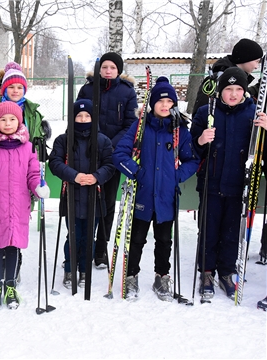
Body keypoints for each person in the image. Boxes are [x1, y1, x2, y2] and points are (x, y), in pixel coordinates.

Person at [112, 77, 199, 301]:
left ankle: (162, 277)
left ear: (174, 104)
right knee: (137, 239)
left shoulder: (180, 131)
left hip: (166, 197)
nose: (164, 105)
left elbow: (193, 160)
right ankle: (131, 276)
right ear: (152, 104)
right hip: (142, 195)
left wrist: (176, 176)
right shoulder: (140, 127)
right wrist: (137, 173)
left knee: (164, 241)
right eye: (160, 101)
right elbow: (119, 155)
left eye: (169, 101)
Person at [191, 67, 267, 300]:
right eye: (228, 89)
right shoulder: (206, 112)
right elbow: (191, 149)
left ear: (244, 91)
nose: (233, 94)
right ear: (220, 91)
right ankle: (206, 272)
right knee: (209, 230)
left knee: (232, 232)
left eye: (238, 89)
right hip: (211, 184)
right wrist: (202, 139)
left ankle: (226, 272)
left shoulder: (254, 114)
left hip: (239, 186)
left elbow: (261, 152)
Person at [0, 61, 51, 282]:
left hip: (21, 177)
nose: (15, 91)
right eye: (11, 87)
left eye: (20, 87)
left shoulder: (32, 110)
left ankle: (12, 273)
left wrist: (42, 136)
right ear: (3, 88)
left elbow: (34, 146)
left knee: (17, 225)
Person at [0, 101, 48, 310]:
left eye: (12, 119)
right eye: (3, 119)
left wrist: (39, 187)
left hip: (18, 207)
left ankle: (10, 285)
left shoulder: (28, 148)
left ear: (19, 121)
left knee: (13, 247)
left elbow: (32, 174)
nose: (7, 123)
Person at [76, 52, 138, 269]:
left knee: (107, 203)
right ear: (99, 69)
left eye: (112, 67)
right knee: (84, 201)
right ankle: (82, 246)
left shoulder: (127, 92)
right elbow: (78, 116)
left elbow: (131, 124)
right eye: (105, 67)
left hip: (112, 155)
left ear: (118, 70)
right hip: (86, 152)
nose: (108, 71)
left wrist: (110, 145)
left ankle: (101, 249)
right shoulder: (87, 89)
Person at [48, 99, 115, 289]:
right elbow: (55, 163)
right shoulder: (63, 140)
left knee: (89, 236)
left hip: (94, 197)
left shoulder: (102, 141)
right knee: (73, 235)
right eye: (79, 115)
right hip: (71, 196)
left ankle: (85, 269)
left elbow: (109, 165)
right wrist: (74, 176)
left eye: (87, 116)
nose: (83, 119)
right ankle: (70, 268)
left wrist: (96, 177)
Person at [191, 38, 264, 117]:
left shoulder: (238, 77)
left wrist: (260, 87)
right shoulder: (216, 80)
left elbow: (242, 101)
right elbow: (200, 113)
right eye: (256, 61)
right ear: (246, 58)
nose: (257, 67)